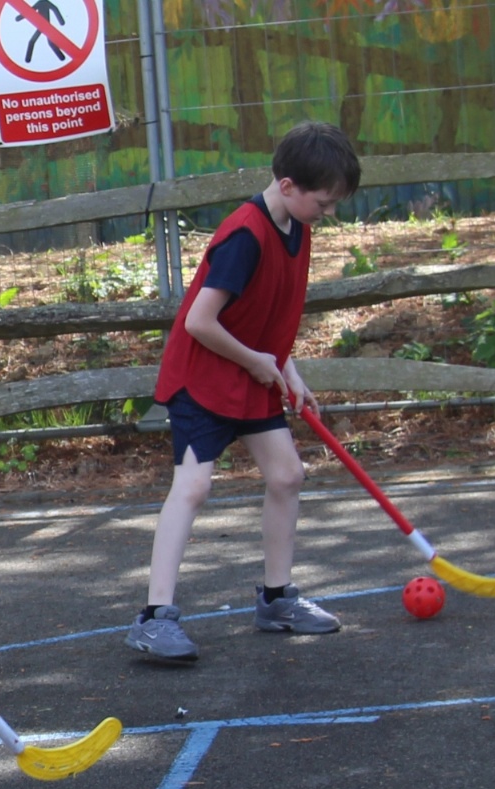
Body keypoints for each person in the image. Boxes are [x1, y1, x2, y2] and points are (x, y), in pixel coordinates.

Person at [126, 122, 362, 662]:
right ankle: (154, 617)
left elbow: (264, 316)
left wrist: (288, 371)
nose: (327, 213)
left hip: (249, 373)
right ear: (287, 185)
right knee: (193, 487)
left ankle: (277, 601)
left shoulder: (296, 227)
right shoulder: (244, 236)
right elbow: (199, 322)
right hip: (204, 380)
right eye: (323, 203)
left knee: (287, 475)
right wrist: (258, 361)